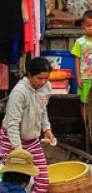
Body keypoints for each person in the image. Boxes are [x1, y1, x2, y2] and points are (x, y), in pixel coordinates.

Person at [0, 58, 53, 193]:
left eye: (46, 78)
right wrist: (18, 150)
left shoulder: (46, 87)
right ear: (30, 75)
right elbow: (12, 124)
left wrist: (46, 128)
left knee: (42, 181)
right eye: (39, 78)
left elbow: (43, 109)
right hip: (11, 140)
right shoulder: (19, 93)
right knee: (14, 182)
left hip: (32, 140)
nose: (43, 82)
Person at [71, 10, 92, 104]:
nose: (91, 28)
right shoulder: (79, 42)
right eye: (88, 26)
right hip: (85, 78)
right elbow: (77, 61)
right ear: (83, 25)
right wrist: (78, 78)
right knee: (84, 103)